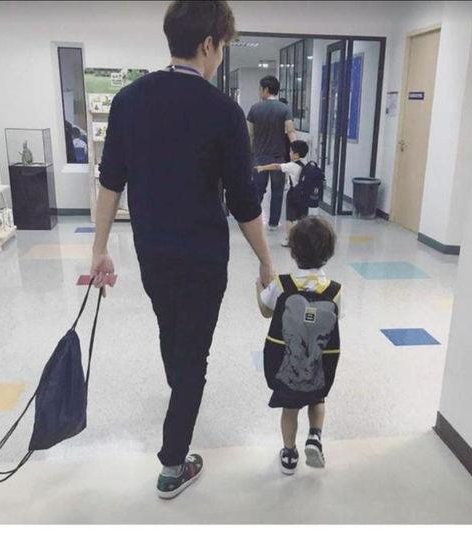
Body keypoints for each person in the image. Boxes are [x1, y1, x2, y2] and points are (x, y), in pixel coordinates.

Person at [90, 0, 274, 499]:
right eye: (222, 47)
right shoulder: (224, 112)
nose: (221, 56)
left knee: (172, 332)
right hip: (203, 258)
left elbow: (110, 183)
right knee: (194, 356)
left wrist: (100, 249)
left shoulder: (129, 100)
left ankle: (180, 394)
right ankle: (173, 465)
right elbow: (244, 203)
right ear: (208, 45)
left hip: (151, 252)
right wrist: (266, 261)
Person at [256, 216, 342, 475]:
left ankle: (289, 454)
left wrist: (259, 287)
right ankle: (314, 435)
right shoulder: (335, 290)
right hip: (319, 365)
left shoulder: (282, 285)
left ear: (293, 252)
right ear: (329, 253)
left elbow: (266, 311)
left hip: (288, 367)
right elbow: (335, 319)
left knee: (290, 409)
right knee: (317, 400)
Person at [247, 76, 296, 230]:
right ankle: (273, 223)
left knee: (257, 191)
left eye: (260, 89)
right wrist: (296, 153)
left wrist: (248, 155)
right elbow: (291, 132)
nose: (259, 91)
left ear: (266, 89)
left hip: (259, 158)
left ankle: (252, 219)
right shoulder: (285, 109)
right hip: (279, 158)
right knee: (277, 191)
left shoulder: (254, 109)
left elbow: (249, 134)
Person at [255, 139, 309, 247]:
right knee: (301, 218)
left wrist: (263, 167)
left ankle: (289, 239)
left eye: (291, 151)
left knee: (290, 218)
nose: (289, 153)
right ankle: (303, 239)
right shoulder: (306, 164)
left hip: (294, 194)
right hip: (304, 195)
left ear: (296, 155)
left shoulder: (292, 165)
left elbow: (276, 166)